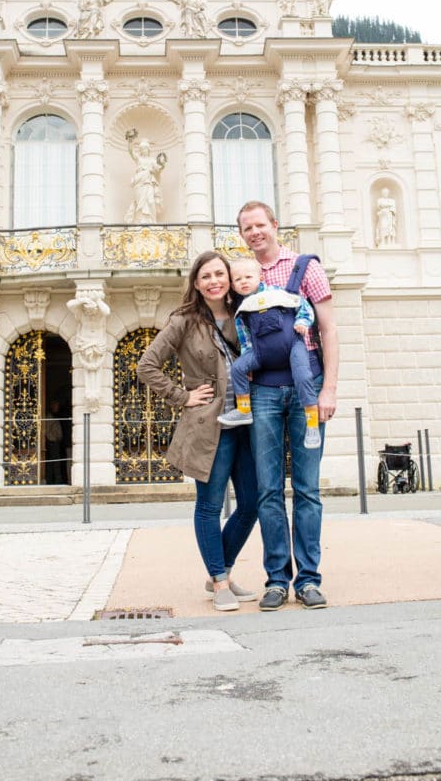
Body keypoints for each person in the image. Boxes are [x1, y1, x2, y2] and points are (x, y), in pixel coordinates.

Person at [137, 251, 259, 612]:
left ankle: (220, 570)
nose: (214, 281)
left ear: (229, 278)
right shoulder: (185, 321)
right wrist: (182, 396)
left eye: (219, 274)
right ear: (196, 283)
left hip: (249, 421)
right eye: (205, 276)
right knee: (209, 505)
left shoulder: (246, 313)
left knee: (251, 502)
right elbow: (147, 365)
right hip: (211, 424)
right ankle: (219, 581)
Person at [237, 200, 339, 611]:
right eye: (247, 228)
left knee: (308, 488)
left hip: (307, 386)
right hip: (262, 388)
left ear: (275, 226)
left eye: (260, 224)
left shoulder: (306, 267)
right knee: (267, 490)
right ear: (242, 235)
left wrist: (329, 388)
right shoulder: (240, 275)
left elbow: (329, 329)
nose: (255, 232)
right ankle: (277, 579)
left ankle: (309, 579)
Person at [216, 257, 321, 448]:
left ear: (260, 276)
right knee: (238, 367)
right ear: (232, 284)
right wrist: (248, 360)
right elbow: (245, 338)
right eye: (238, 279)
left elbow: (303, 306)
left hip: (292, 346)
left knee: (303, 375)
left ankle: (312, 423)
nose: (244, 281)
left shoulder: (277, 293)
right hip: (261, 353)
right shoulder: (242, 309)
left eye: (248, 276)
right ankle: (244, 409)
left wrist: (302, 322)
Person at [44, 399, 65, 485]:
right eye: (56, 405)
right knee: (55, 463)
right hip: (53, 443)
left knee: (50, 463)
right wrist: (57, 438)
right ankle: (57, 481)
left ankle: (50, 480)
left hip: (49, 442)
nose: (58, 407)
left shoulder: (48, 417)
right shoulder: (51, 418)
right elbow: (57, 433)